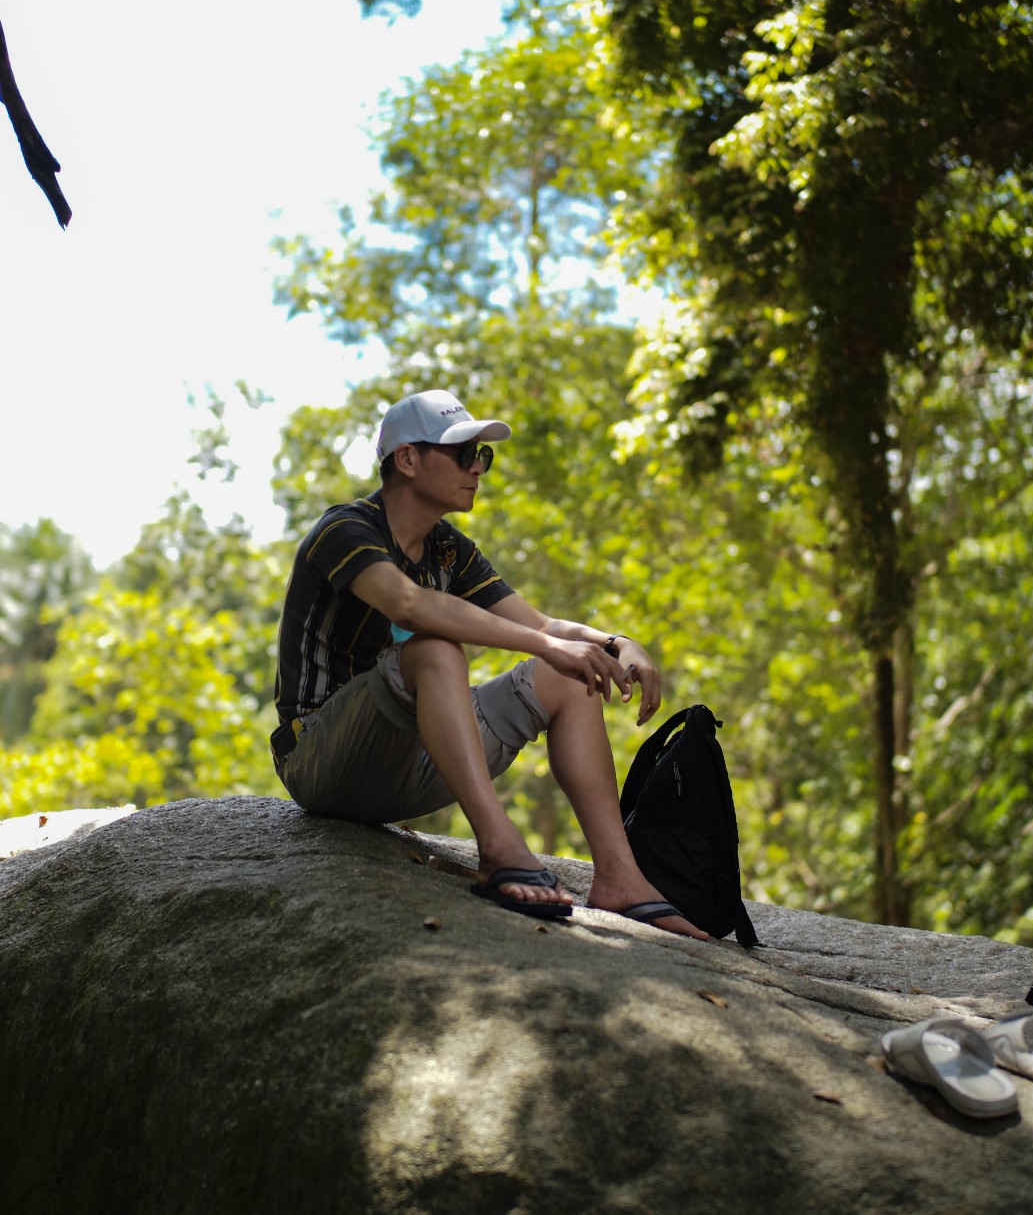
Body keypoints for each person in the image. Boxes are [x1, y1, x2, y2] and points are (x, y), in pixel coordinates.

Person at [271, 388, 707, 939]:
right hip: (320, 759)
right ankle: (499, 847)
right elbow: (408, 604)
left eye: (484, 456)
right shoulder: (345, 529)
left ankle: (619, 878)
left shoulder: (449, 550)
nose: (477, 468)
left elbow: (544, 627)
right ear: (407, 459)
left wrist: (618, 643)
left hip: (404, 769)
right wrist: (541, 644)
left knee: (570, 677)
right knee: (432, 646)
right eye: (463, 453)